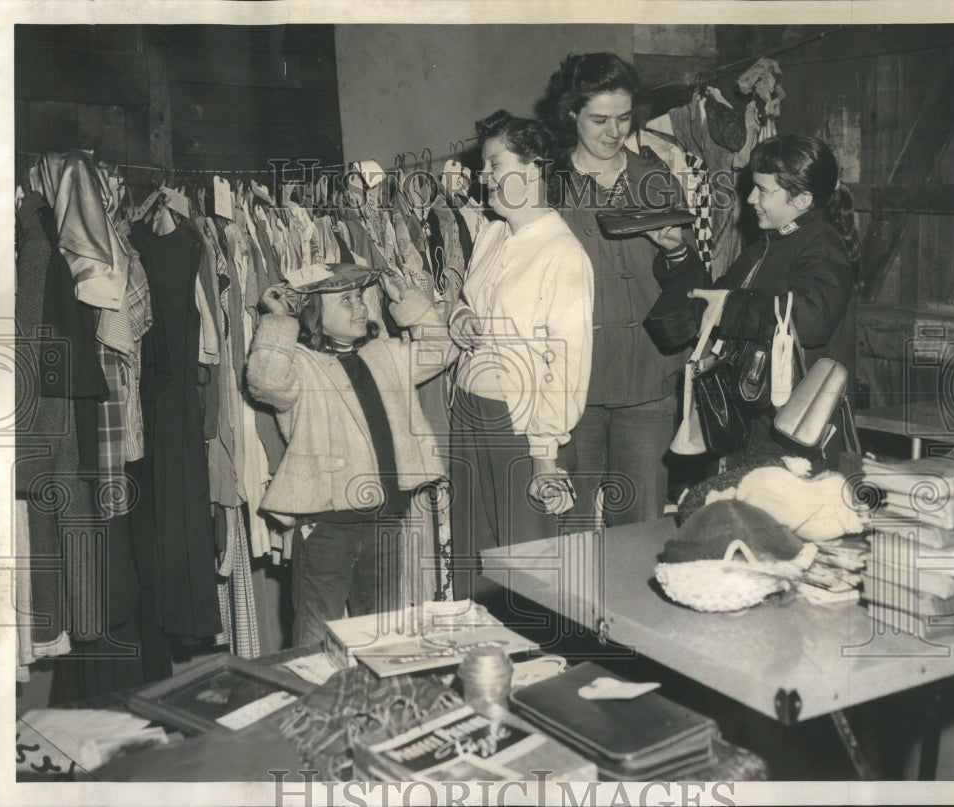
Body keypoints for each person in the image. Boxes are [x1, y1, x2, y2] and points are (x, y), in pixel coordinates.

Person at [246, 264, 452, 646]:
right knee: (315, 634)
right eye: (345, 300)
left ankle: (375, 700)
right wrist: (278, 320)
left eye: (360, 297)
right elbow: (266, 382)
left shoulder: (385, 355)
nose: (360, 307)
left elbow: (441, 350)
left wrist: (405, 298)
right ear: (315, 314)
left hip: (386, 518)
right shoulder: (301, 365)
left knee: (382, 633)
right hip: (326, 525)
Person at [539, 52, 697, 527]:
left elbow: (690, 281)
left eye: (624, 118)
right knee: (569, 527)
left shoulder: (654, 177)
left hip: (647, 376)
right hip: (572, 382)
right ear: (572, 115)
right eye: (600, 119)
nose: (614, 132)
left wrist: (675, 253)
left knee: (641, 525)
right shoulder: (547, 185)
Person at [448, 110, 595, 602]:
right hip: (470, 412)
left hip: (520, 423)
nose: (482, 176)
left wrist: (544, 454)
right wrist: (460, 317)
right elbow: (473, 303)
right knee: (477, 558)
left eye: (493, 164)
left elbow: (567, 364)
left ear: (532, 169)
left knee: (528, 562)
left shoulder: (563, 253)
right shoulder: (492, 232)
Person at [684, 134, 860, 465]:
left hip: (791, 437)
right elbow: (713, 301)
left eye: (763, 190)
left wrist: (730, 306)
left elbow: (811, 320)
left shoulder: (820, 244)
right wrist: (678, 256)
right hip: (753, 426)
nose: (750, 198)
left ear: (802, 198)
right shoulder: (765, 246)